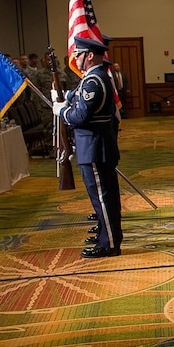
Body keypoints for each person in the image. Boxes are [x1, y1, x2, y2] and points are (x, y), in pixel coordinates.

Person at [55, 37, 122, 258]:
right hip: (96, 145)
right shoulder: (96, 78)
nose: (75, 58)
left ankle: (109, 243)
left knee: (103, 197)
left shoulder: (94, 81)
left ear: (89, 55)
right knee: (103, 197)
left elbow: (80, 116)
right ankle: (106, 236)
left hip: (94, 147)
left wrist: (61, 112)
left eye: (79, 54)